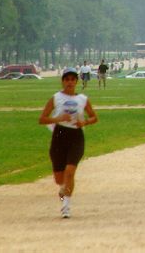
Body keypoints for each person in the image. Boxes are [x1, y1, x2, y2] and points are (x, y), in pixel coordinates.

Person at [38, 67, 98, 218]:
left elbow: (94, 117)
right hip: (59, 135)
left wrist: (84, 122)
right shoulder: (56, 98)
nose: (70, 82)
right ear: (62, 81)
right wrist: (59, 118)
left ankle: (66, 206)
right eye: (67, 79)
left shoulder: (82, 99)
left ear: (76, 81)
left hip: (76, 136)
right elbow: (42, 119)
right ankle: (63, 189)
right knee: (60, 178)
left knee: (70, 172)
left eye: (72, 79)